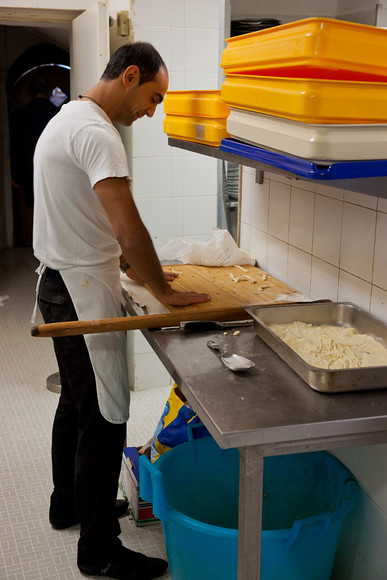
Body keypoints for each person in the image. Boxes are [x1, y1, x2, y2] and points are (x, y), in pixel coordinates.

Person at [32, 42, 211, 580]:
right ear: (130, 75)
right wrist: (166, 291)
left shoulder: (69, 119)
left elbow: (87, 219)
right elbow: (128, 227)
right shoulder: (99, 135)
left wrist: (134, 272)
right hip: (82, 294)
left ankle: (70, 504)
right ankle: (99, 551)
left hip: (59, 281)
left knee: (77, 406)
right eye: (153, 97)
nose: (152, 112)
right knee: (107, 416)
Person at [10, 77, 59, 208]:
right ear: (49, 92)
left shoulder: (19, 115)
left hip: (28, 170)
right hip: (54, 169)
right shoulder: (57, 113)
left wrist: (15, 174)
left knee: (34, 210)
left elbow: (15, 146)